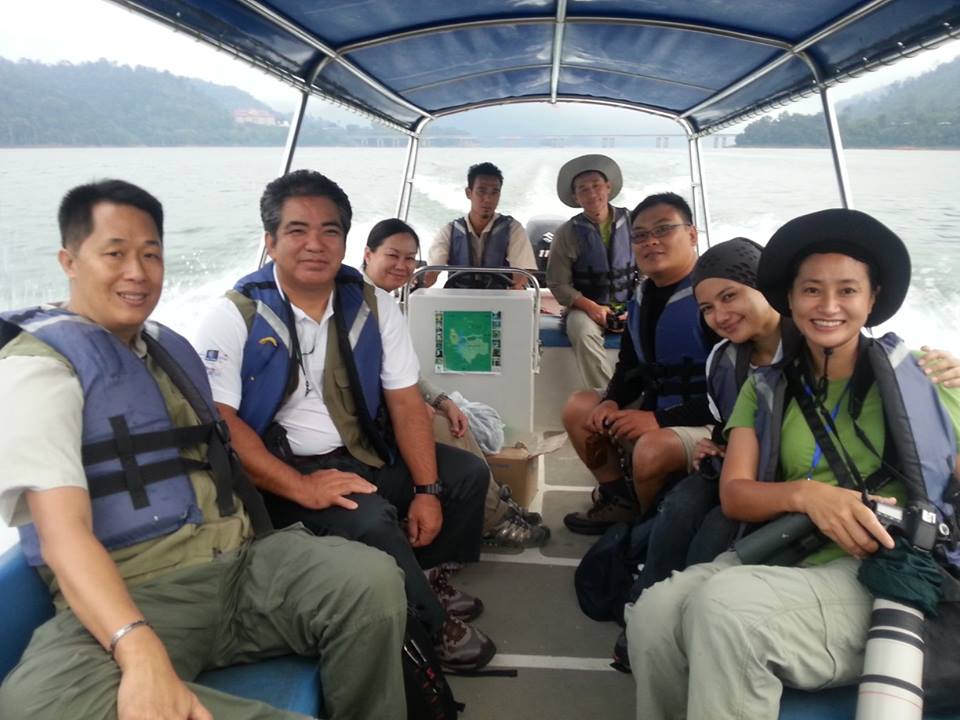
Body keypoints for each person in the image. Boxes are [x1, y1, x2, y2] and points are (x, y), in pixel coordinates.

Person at [0, 180, 407, 720]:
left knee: (372, 581)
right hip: (138, 590)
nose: (137, 272)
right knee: (39, 704)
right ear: (69, 261)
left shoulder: (171, 348)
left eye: (151, 254)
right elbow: (62, 533)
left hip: (239, 565)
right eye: (115, 253)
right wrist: (138, 647)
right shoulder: (40, 370)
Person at [625, 208, 960, 720]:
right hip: (788, 549)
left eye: (847, 290)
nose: (828, 306)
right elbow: (735, 493)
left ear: (872, 301)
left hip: (879, 569)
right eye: (811, 290)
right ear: (791, 300)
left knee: (727, 607)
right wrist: (807, 495)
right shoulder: (765, 387)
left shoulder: (926, 378)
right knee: (651, 616)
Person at [194, 170, 495, 671]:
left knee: (465, 477)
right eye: (296, 230)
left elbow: (403, 401)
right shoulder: (234, 315)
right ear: (270, 242)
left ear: (345, 241)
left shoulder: (372, 306)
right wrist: (299, 487)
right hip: (286, 473)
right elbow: (222, 423)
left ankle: (425, 574)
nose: (315, 244)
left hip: (363, 453)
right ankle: (430, 624)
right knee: (370, 517)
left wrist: (426, 490)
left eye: (329, 231)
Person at [363, 217, 549, 551]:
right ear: (367, 254)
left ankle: (498, 505)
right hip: (369, 416)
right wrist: (413, 405)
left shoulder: (385, 302)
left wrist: (442, 400)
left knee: (458, 418)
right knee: (451, 431)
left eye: (410, 259)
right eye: (393, 255)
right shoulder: (356, 304)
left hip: (394, 401)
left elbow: (403, 373)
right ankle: (493, 522)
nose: (403, 266)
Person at [561, 192, 717, 535]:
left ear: (691, 235)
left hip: (710, 421)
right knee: (580, 407)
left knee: (650, 449)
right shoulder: (644, 295)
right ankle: (622, 501)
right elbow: (631, 364)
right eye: (641, 236)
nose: (651, 242)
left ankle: (648, 533)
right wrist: (613, 400)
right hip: (658, 406)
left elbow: (732, 393)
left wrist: (657, 419)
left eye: (663, 230)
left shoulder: (714, 298)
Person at [546, 153, 636, 390]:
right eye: (583, 189)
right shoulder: (567, 233)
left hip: (631, 303)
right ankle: (610, 400)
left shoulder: (634, 222)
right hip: (585, 307)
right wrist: (592, 308)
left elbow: (649, 272)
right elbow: (558, 284)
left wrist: (636, 306)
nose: (592, 193)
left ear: (608, 187)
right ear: (576, 197)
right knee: (583, 332)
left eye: (597, 186)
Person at [424, 162, 537, 290]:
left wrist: (517, 287)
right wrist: (420, 283)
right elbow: (431, 273)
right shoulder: (449, 231)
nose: (488, 199)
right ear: (468, 193)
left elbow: (521, 276)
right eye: (481, 191)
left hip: (499, 302)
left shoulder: (513, 229)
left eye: (494, 192)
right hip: (457, 302)